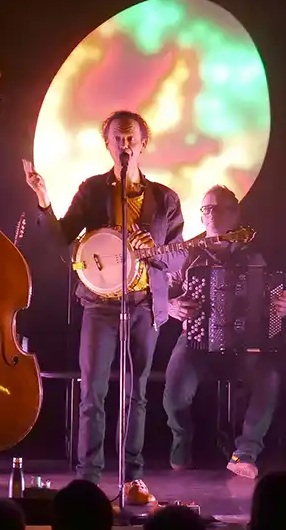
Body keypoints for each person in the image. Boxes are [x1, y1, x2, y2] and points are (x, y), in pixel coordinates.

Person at [22, 110, 185, 506]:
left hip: (144, 306)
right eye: (117, 138)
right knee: (92, 392)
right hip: (99, 306)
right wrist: (44, 201)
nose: (124, 144)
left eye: (131, 138)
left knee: (137, 393)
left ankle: (133, 477)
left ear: (143, 143)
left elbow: (179, 257)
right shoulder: (93, 191)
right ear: (107, 144)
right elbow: (62, 240)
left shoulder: (165, 198)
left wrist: (154, 253)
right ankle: (88, 479)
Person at [162, 186, 286, 479]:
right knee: (175, 392)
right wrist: (172, 306)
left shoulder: (255, 253)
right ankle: (182, 442)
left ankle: (245, 452)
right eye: (205, 209)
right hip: (196, 341)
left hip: (245, 346)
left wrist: (283, 305)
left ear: (235, 213)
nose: (210, 215)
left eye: (217, 208)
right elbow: (160, 294)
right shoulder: (186, 252)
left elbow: (279, 290)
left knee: (268, 377)